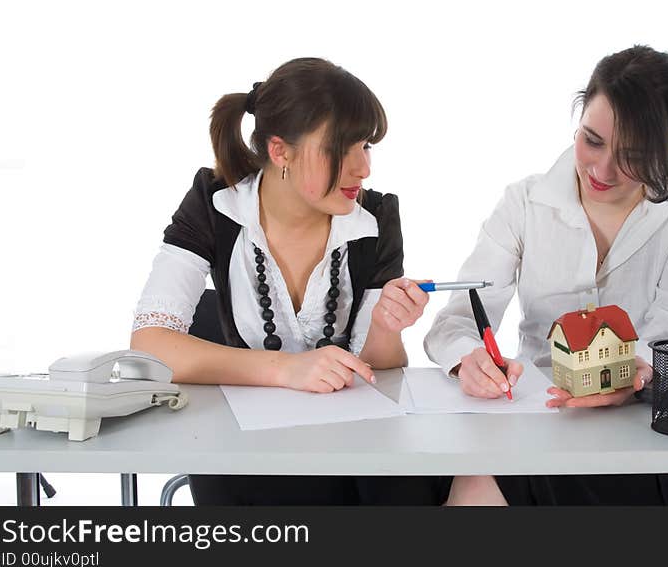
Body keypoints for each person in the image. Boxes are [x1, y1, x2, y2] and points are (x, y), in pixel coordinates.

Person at [131, 57, 448, 505]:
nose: (363, 168)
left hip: (354, 450)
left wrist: (385, 327)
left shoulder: (375, 218)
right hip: (243, 454)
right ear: (281, 151)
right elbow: (150, 345)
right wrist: (287, 370)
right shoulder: (214, 202)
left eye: (367, 146)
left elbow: (383, 371)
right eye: (343, 148)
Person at [424, 45, 668, 505]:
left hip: (642, 435)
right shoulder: (525, 202)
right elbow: (457, 321)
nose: (602, 169)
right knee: (470, 488)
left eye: (633, 155)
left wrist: (631, 373)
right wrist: (468, 360)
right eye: (592, 140)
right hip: (541, 424)